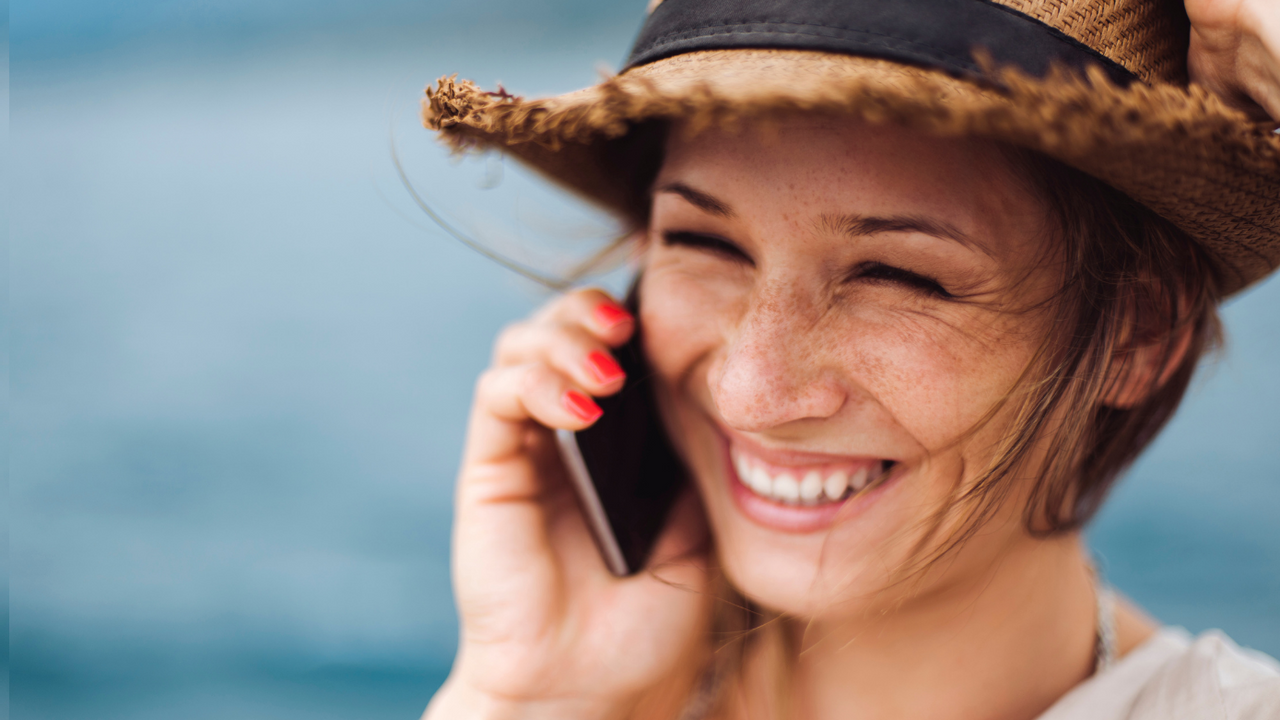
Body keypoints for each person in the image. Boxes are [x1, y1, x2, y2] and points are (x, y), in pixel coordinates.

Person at [419, 0, 1280, 718]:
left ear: (1139, 332)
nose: (750, 392)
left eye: (894, 273)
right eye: (705, 243)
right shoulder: (579, 687)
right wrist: (525, 702)